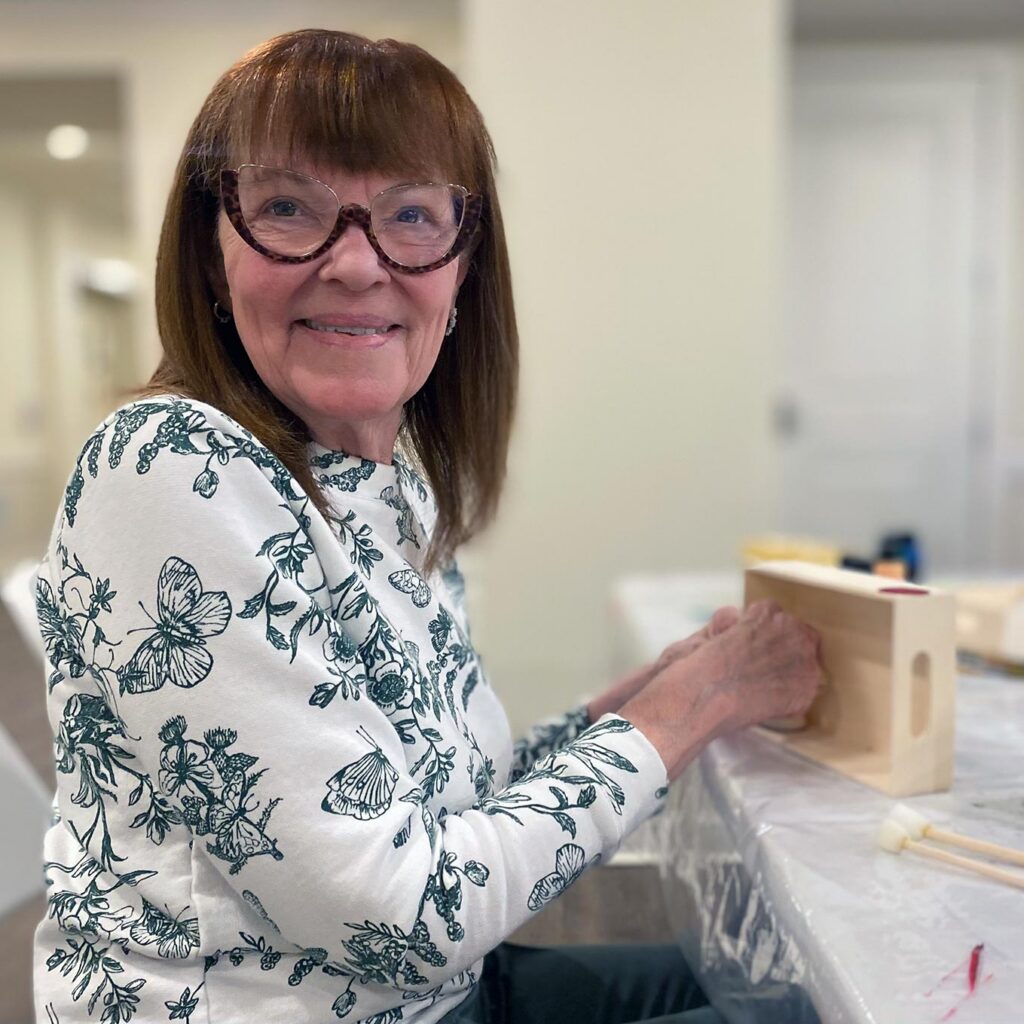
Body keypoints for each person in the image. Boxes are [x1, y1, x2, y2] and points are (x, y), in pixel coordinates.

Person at [33, 29, 822, 1024]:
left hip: (421, 993)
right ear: (210, 250)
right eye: (288, 209)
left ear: (459, 267)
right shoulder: (169, 471)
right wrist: (684, 712)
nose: (357, 264)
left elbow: (432, 802)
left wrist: (630, 711)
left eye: (409, 215)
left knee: (799, 987)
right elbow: (399, 918)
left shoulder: (379, 481)